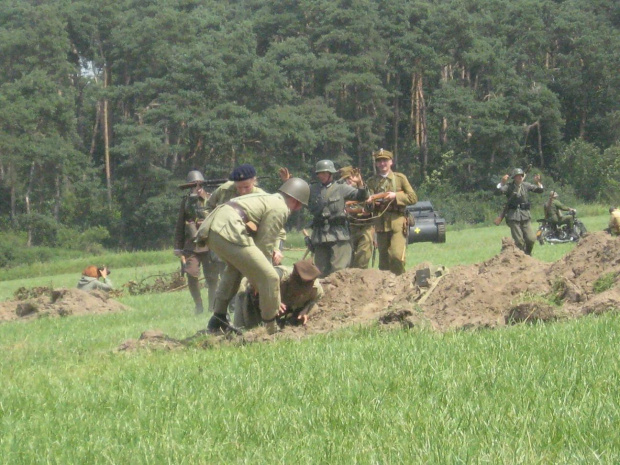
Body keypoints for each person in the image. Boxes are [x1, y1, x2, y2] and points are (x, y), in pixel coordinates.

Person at [195, 177, 310, 334]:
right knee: (270, 277)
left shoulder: (268, 198)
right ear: (297, 203)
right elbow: (265, 245)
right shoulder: (280, 207)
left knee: (234, 269)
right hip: (228, 228)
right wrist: (260, 278)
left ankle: (218, 318)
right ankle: (270, 327)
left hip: (214, 227)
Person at [206, 163, 285, 265]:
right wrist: (211, 222)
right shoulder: (224, 189)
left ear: (254, 181)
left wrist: (276, 249)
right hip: (225, 241)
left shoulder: (263, 198)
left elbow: (276, 228)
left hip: (250, 244)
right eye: (238, 187)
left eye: (246, 187)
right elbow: (208, 206)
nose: (242, 191)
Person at [308, 159, 369, 276]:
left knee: (339, 272)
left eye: (325, 173)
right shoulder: (313, 189)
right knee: (320, 273)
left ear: (331, 173)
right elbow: (298, 195)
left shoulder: (341, 188)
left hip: (338, 235)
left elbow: (362, 196)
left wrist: (360, 183)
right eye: (320, 173)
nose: (322, 176)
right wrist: (288, 182)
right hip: (320, 236)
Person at [174, 170, 220, 314]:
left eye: (199, 185)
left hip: (209, 244)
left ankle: (212, 306)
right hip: (191, 245)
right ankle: (198, 305)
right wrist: (177, 246)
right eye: (194, 185)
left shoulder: (211, 198)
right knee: (192, 274)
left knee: (212, 278)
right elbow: (180, 224)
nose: (197, 187)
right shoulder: (187, 201)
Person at [366, 149, 417, 275]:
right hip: (381, 224)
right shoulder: (372, 182)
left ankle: (400, 281)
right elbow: (368, 208)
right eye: (379, 161)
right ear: (376, 164)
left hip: (397, 222)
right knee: (383, 262)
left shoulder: (400, 178)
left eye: (385, 160)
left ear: (391, 162)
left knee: (396, 256)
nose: (382, 163)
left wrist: (395, 196)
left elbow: (413, 198)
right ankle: (387, 288)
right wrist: (370, 202)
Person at [232, 259, 323, 330]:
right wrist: (274, 300)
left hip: (278, 306)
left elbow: (316, 300)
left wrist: (306, 310)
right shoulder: (278, 275)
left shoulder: (316, 289)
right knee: (246, 329)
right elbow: (256, 283)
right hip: (251, 295)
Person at [494, 167, 544, 255]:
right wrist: (502, 183)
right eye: (517, 176)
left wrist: (538, 182)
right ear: (514, 177)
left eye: (521, 176)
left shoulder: (526, 185)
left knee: (531, 239)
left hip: (525, 215)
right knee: (519, 241)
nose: (520, 177)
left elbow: (540, 190)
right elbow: (497, 192)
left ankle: (528, 254)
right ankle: (520, 257)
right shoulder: (509, 186)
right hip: (513, 216)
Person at [340, 166, 374, 269]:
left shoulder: (365, 191)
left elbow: (372, 206)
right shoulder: (341, 193)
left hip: (365, 227)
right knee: (346, 261)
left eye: (350, 178)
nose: (348, 181)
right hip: (347, 229)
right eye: (346, 179)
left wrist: (368, 209)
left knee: (363, 257)